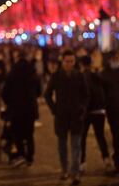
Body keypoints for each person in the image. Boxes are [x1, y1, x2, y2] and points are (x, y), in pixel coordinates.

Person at [44, 50, 89, 185]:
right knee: (62, 145)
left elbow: (86, 95)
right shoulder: (56, 76)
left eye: (72, 61)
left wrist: (82, 108)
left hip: (76, 116)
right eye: (67, 61)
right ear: (62, 62)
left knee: (76, 146)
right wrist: (54, 109)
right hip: (61, 116)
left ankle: (75, 173)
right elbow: (47, 94)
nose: (70, 64)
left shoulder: (79, 76)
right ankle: (64, 170)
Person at [2, 54, 41, 167]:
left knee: (17, 133)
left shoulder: (12, 75)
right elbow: (38, 92)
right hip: (30, 109)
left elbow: (5, 93)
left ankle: (21, 154)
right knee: (29, 134)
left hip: (16, 109)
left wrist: (9, 103)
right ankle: (30, 157)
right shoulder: (33, 75)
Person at [78, 55, 111, 173]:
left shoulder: (82, 77)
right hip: (99, 111)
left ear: (81, 64)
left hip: (87, 112)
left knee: (82, 137)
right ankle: (106, 159)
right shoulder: (98, 76)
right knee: (100, 136)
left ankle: (82, 163)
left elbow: (82, 95)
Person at [101, 50, 119, 176]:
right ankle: (117, 163)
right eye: (115, 57)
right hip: (113, 111)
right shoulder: (104, 74)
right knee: (116, 137)